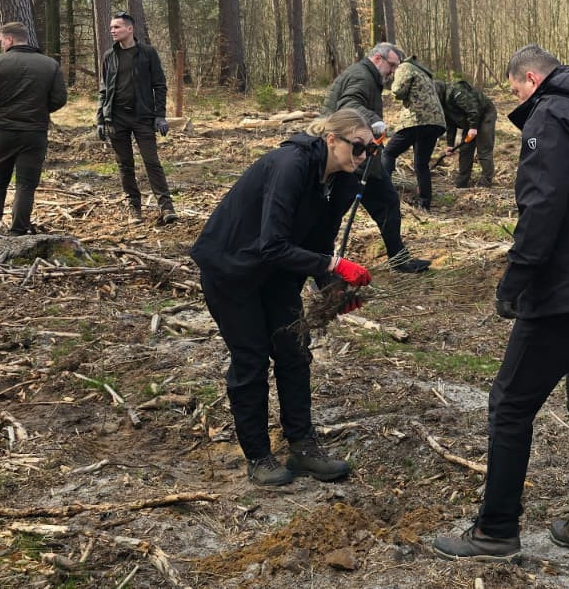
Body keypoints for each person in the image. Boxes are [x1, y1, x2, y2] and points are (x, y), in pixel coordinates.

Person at [431, 45, 569, 566]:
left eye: (515, 91)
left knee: (510, 404)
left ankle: (497, 530)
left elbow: (541, 204)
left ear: (531, 78)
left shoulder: (552, 114)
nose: (516, 101)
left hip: (567, 290)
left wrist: (516, 280)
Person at [189, 110, 373, 486]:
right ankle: (258, 456)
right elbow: (272, 244)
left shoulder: (340, 181)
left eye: (371, 149)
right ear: (332, 139)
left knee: (293, 350)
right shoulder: (291, 165)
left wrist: (333, 289)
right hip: (232, 269)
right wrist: (336, 264)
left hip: (277, 273)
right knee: (252, 358)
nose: (363, 156)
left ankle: (303, 448)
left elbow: (318, 242)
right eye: (358, 146)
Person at [323, 44, 430, 273]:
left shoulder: (367, 76)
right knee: (331, 215)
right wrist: (374, 121)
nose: (392, 72)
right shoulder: (362, 76)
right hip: (346, 157)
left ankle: (399, 260)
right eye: (391, 65)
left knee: (388, 202)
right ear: (377, 58)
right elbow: (348, 105)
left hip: (360, 157)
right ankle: (320, 269)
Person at [0, 21, 67, 239]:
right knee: (26, 185)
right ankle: (18, 233)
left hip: (3, 131)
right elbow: (60, 99)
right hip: (35, 132)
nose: (1, 44)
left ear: (10, 39)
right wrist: (40, 110)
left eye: (2, 40)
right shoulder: (50, 65)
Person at [96, 12, 176, 225]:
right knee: (125, 165)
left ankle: (166, 206)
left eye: (117, 27)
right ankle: (134, 208)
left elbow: (159, 85)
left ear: (130, 29)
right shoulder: (109, 56)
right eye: (112, 27)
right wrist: (100, 119)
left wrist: (160, 116)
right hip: (116, 118)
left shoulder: (148, 53)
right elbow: (104, 90)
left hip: (143, 117)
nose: (113, 30)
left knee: (152, 161)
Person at [382, 55, 447, 211]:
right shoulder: (422, 71)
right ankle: (424, 205)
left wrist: (392, 82)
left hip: (416, 119)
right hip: (436, 122)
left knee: (388, 153)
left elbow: (398, 91)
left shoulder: (404, 67)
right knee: (421, 164)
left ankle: (382, 195)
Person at [436, 76, 496, 188]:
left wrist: (473, 128)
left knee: (484, 149)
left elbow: (473, 109)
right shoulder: (442, 104)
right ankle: (462, 181)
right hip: (469, 119)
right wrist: (450, 145)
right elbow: (450, 123)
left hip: (484, 114)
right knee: (465, 150)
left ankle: (485, 182)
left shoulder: (456, 91)